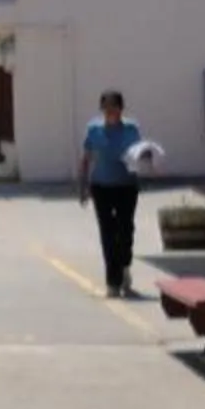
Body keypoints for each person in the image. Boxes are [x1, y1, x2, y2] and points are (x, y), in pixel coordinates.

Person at [76, 90, 145, 297]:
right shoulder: (94, 130)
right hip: (102, 186)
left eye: (113, 107)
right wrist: (82, 186)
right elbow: (86, 158)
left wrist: (146, 162)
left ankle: (124, 267)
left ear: (121, 109)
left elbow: (139, 154)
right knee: (107, 233)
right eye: (105, 108)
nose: (109, 112)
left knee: (125, 230)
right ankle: (112, 281)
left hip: (126, 185)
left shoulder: (131, 129)